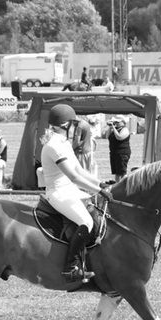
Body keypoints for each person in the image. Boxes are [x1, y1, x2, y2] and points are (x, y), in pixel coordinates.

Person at [41, 104, 112, 282]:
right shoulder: (54, 146)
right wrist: (98, 190)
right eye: (75, 125)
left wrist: (100, 184)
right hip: (58, 193)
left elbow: (80, 171)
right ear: (66, 125)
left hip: (70, 190)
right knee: (86, 222)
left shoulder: (64, 143)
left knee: (98, 210)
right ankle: (70, 267)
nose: (77, 129)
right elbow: (73, 177)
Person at [107, 115, 131, 182]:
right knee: (116, 173)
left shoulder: (125, 130)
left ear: (123, 122)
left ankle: (124, 185)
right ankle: (117, 184)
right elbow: (107, 136)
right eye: (115, 122)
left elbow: (119, 137)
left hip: (122, 153)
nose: (116, 123)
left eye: (117, 122)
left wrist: (113, 128)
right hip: (114, 153)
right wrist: (110, 127)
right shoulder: (115, 130)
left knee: (122, 172)